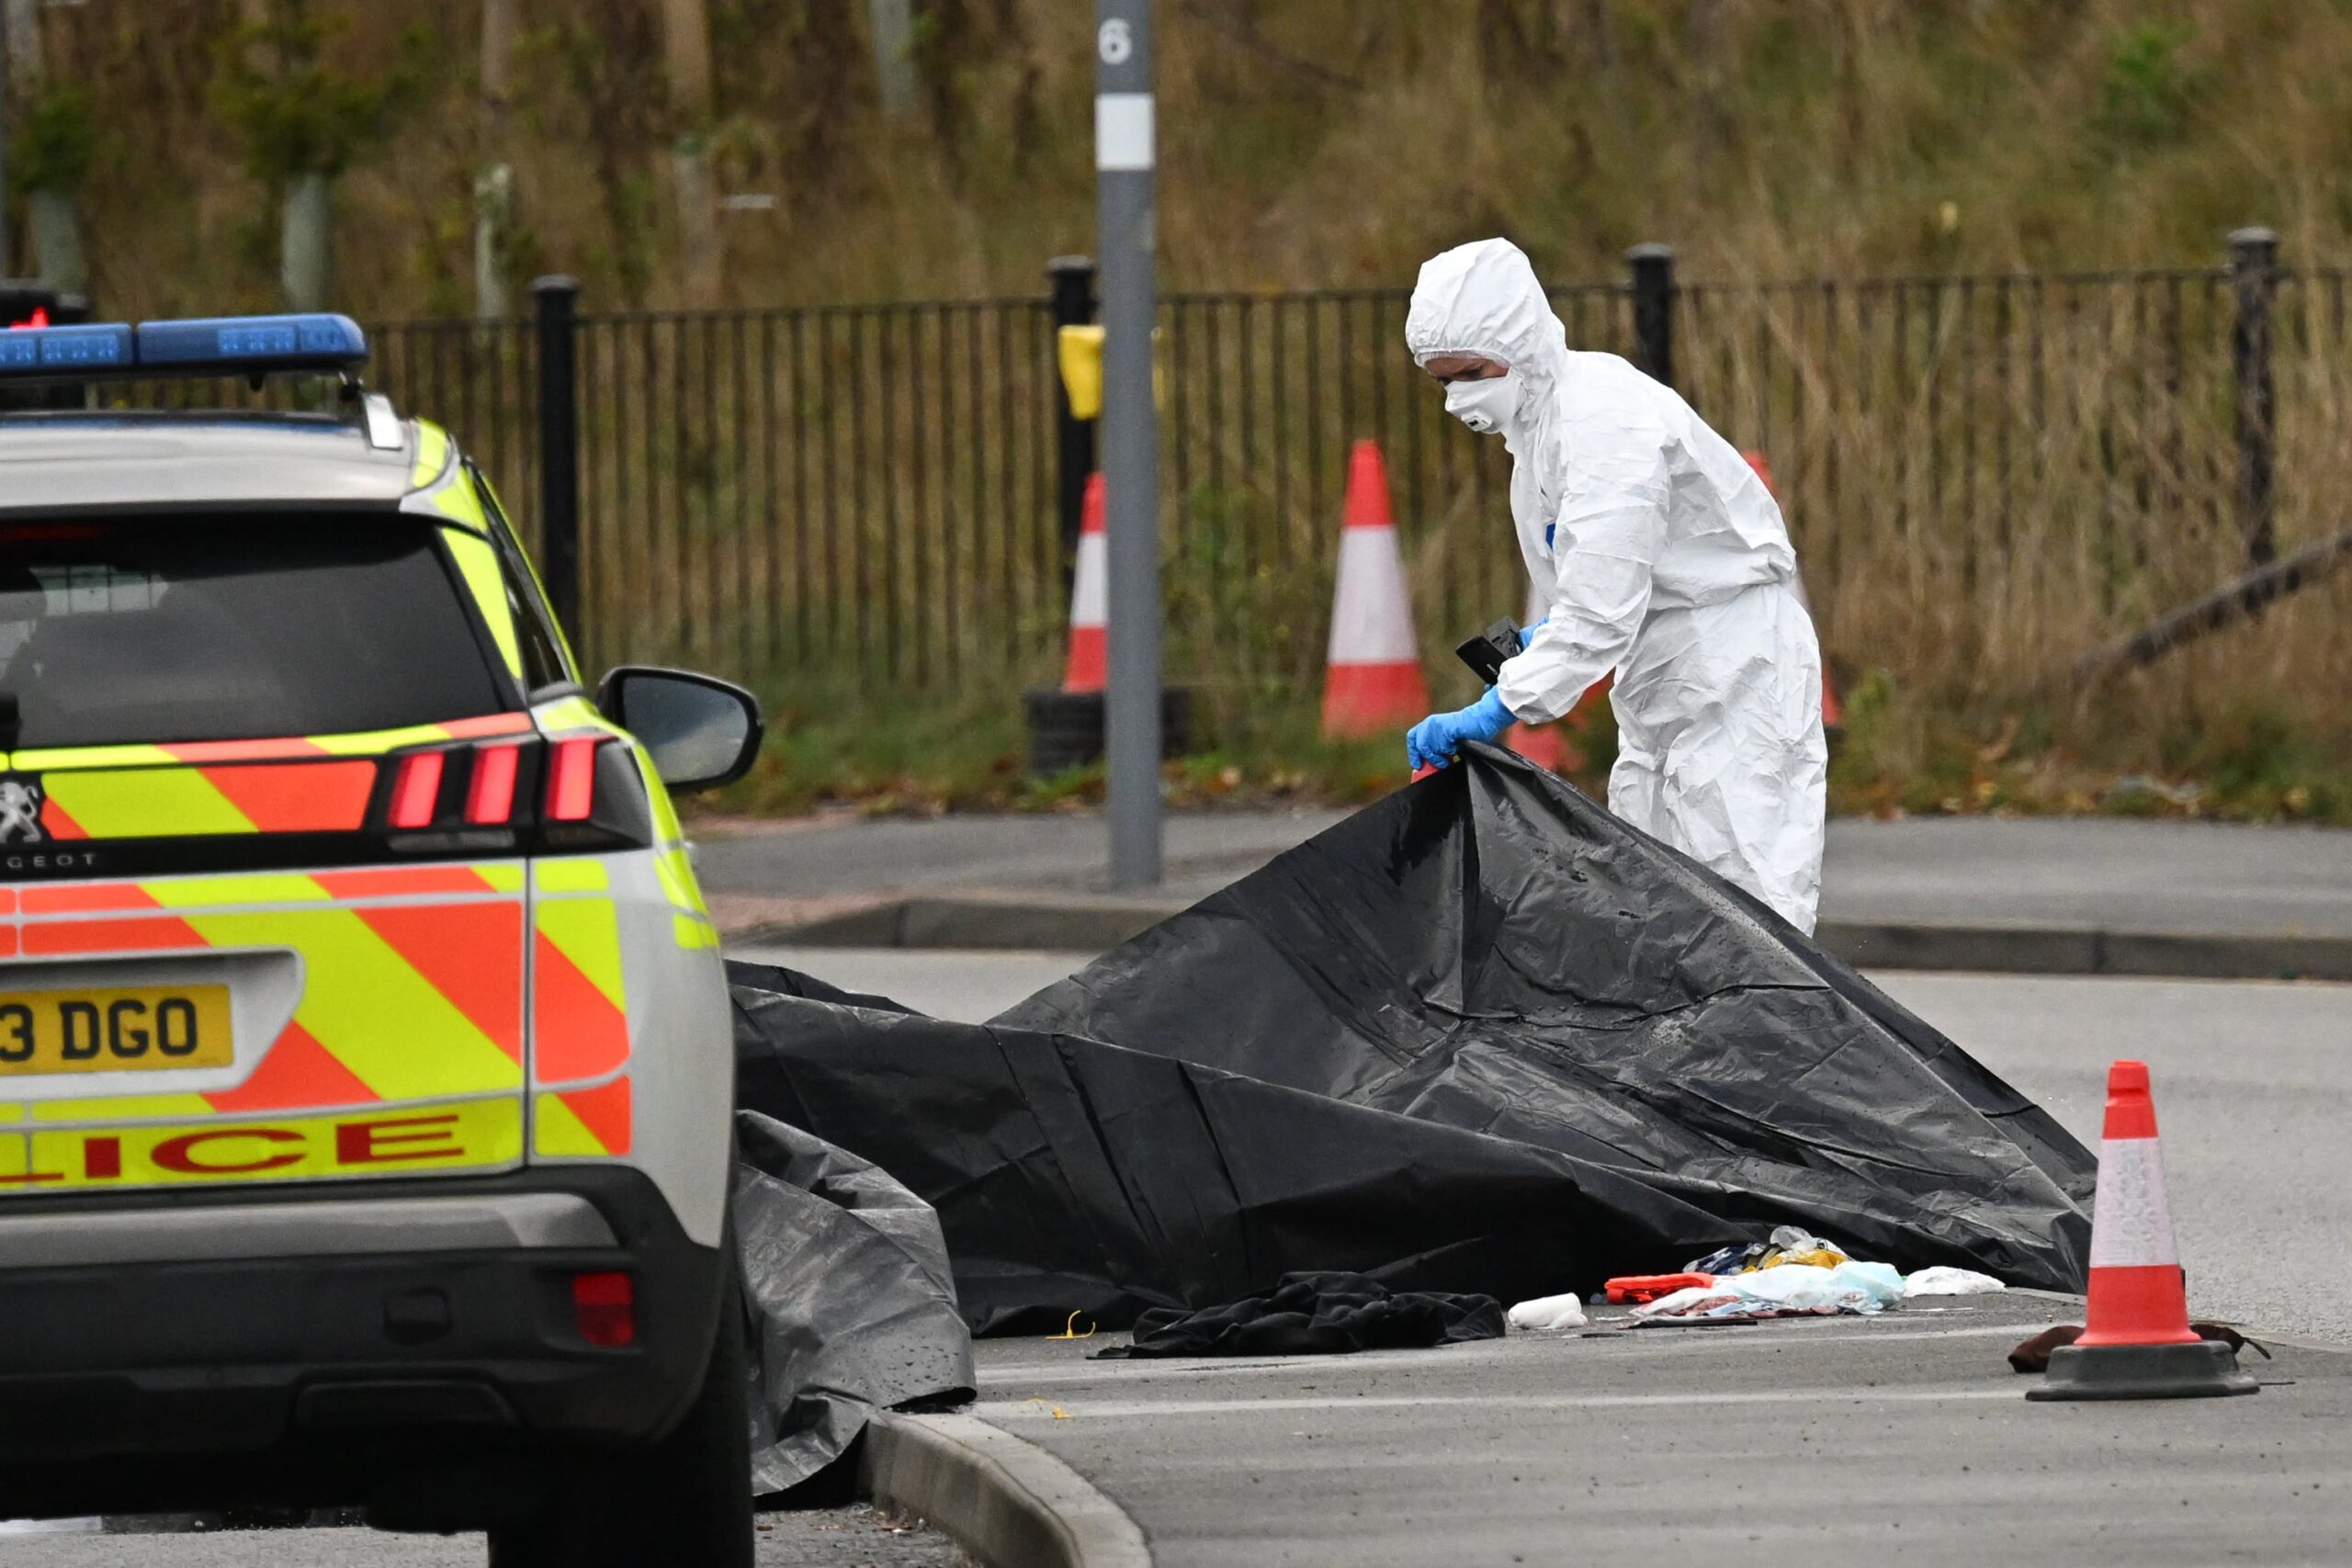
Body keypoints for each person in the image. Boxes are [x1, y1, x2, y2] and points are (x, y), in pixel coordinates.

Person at [1401, 237, 1827, 932]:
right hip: (1663, 673)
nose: (1460, 395)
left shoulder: (1603, 424)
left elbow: (1600, 614)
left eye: (1473, 370)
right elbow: (1597, 589)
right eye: (1444, 379)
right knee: (1662, 910)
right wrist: (1544, 645)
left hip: (1735, 667)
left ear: (1519, 342)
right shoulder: (1540, 436)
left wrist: (1503, 702)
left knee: (1749, 909)